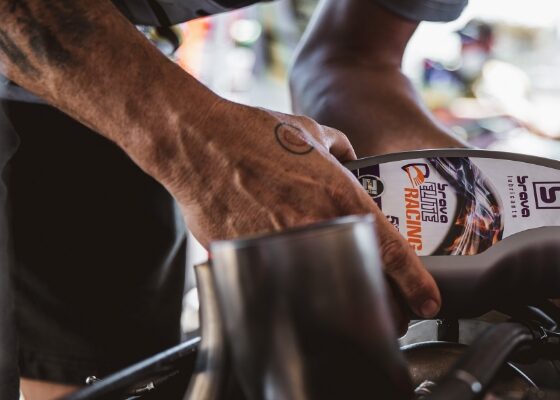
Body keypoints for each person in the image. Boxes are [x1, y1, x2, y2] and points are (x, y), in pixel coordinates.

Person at [0, 0, 467, 398]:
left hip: (109, 66)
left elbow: (354, 62)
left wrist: (477, 194)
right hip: (72, 51)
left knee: (110, 379)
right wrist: (205, 151)